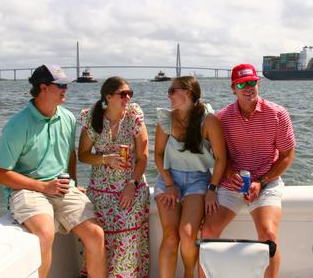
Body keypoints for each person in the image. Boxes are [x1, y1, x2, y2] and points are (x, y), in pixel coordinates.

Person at [0, 64, 107, 278]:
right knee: (45, 234)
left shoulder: (68, 118)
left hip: (61, 187)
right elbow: (0, 174)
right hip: (27, 189)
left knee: (96, 234)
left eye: (66, 85)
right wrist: (43, 186)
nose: (66, 89)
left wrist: (73, 182)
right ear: (43, 88)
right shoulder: (17, 125)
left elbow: (71, 154)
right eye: (60, 85)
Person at [201, 63, 295, 278]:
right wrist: (228, 173)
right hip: (231, 184)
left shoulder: (277, 114)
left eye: (252, 82)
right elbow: (218, 157)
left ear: (258, 83)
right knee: (207, 232)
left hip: (266, 182)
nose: (248, 87)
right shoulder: (222, 119)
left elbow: (287, 156)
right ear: (233, 88)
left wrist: (261, 181)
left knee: (269, 236)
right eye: (242, 83)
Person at [154, 76, 227, 278]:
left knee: (187, 235)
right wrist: (169, 184)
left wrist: (212, 190)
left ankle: (189, 274)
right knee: (170, 236)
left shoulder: (209, 121)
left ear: (187, 92)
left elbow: (221, 159)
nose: (168, 95)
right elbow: (158, 155)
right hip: (169, 179)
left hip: (198, 180)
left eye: (171, 91)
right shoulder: (166, 119)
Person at [79, 77, 150, 277]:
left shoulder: (133, 116)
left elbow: (143, 157)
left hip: (131, 187)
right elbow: (83, 155)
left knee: (127, 240)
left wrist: (131, 184)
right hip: (101, 191)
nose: (127, 97)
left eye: (130, 93)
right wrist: (105, 159)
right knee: (103, 242)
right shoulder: (93, 118)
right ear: (108, 97)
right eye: (122, 94)